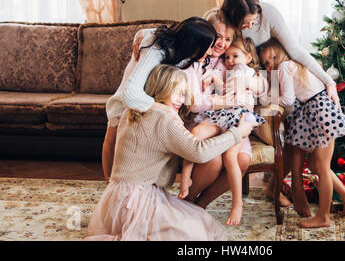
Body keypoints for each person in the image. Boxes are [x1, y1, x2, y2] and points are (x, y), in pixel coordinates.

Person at [86, 64, 257, 241]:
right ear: (161, 89)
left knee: (192, 220)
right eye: (178, 93)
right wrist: (237, 133)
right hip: (136, 200)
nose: (181, 100)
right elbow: (199, 152)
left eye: (184, 94)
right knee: (199, 233)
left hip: (115, 199)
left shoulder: (132, 109)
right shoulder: (163, 118)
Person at [102, 17, 217, 185]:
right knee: (114, 134)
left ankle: (139, 184)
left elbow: (147, 32)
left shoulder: (186, 55)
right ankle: (110, 185)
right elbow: (130, 95)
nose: (211, 52)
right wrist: (165, 110)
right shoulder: (156, 50)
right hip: (130, 97)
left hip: (151, 97)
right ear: (193, 44)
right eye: (208, 47)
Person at [259, 38, 345, 228]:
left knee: (320, 167)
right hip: (318, 110)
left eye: (268, 62)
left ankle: (323, 216)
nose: (267, 67)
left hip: (319, 112)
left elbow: (287, 100)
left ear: (275, 55)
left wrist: (264, 98)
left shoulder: (285, 67)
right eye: (264, 65)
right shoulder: (296, 65)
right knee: (316, 165)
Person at [180, 37, 267, 225]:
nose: (230, 61)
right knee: (197, 133)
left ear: (249, 57)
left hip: (241, 117)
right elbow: (224, 91)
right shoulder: (227, 73)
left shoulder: (251, 73)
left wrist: (249, 84)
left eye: (235, 56)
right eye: (227, 57)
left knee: (231, 157)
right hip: (222, 115)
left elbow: (263, 89)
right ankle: (185, 179)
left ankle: (237, 204)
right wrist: (215, 79)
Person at [220, 0, 340, 109]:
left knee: (268, 111)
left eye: (254, 21)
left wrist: (329, 82)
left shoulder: (269, 14)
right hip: (235, 78)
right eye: (245, 23)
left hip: (268, 78)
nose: (250, 26)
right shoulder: (224, 24)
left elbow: (296, 51)